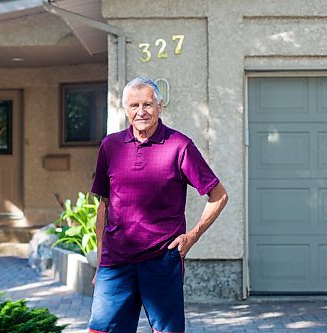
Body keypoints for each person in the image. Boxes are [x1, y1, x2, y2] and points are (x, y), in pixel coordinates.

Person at [88, 77, 228, 333]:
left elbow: (218, 195)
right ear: (126, 110)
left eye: (147, 104)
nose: (140, 112)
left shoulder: (179, 146)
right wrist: (100, 262)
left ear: (159, 106)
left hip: (162, 260)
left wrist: (192, 237)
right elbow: (104, 207)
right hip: (116, 263)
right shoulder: (111, 146)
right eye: (133, 105)